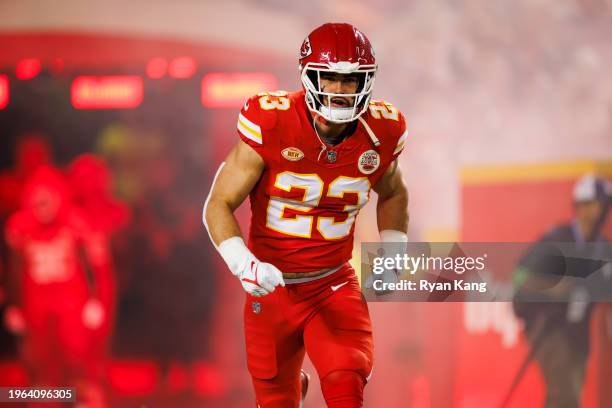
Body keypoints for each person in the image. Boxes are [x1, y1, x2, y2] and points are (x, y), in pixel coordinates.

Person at [204, 23, 409, 408]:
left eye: (351, 80)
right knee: (276, 401)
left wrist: (394, 250)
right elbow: (218, 203)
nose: (340, 90)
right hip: (272, 286)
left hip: (333, 284)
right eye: (329, 77)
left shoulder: (383, 129)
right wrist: (243, 264)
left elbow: (393, 191)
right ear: (308, 76)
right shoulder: (272, 120)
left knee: (346, 384)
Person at [3, 166, 112, 407]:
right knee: (41, 370)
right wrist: (13, 305)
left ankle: (82, 399)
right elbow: (14, 269)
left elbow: (93, 264)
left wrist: (96, 300)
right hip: (37, 306)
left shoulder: (75, 222)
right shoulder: (20, 227)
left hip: (72, 303)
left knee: (79, 365)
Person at [512, 173, 611, 408]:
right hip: (547, 324)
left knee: (570, 396)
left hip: (578, 332)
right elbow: (519, 276)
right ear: (580, 207)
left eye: (604, 206)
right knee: (564, 393)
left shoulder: (603, 249)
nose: (601, 212)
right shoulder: (556, 239)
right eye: (596, 204)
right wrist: (552, 288)